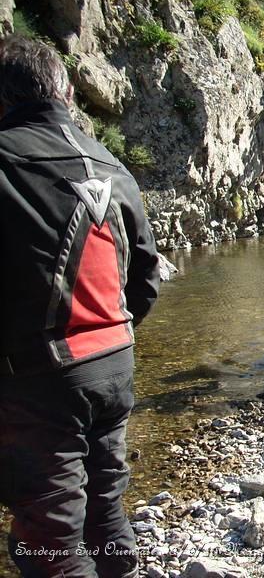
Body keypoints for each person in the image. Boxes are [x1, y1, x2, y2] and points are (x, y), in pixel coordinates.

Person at [0, 35, 160, 577]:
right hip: (115, 363)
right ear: (66, 91)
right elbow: (145, 277)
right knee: (106, 510)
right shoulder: (112, 165)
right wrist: (110, 332)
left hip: (38, 378)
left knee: (51, 545)